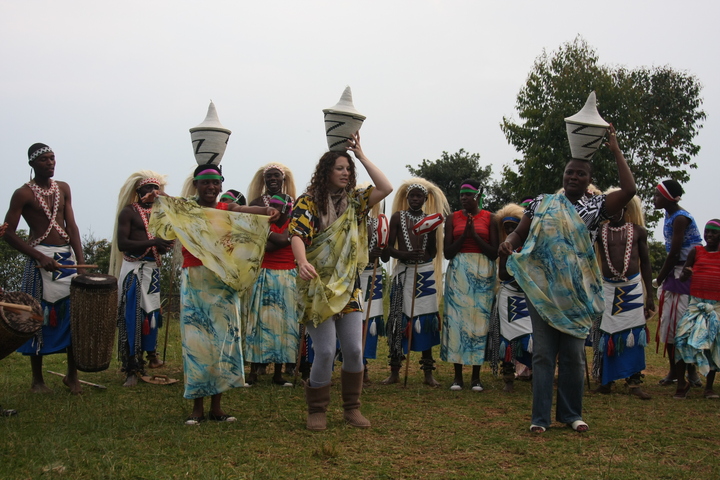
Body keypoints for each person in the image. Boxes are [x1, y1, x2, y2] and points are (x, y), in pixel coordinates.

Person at [499, 124, 636, 433]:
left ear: (589, 181)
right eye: (569, 172)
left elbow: (629, 191)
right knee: (543, 355)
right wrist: (509, 243)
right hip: (543, 292)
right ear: (563, 176)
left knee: (573, 355)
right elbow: (520, 232)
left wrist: (615, 150)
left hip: (577, 294)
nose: (574, 177)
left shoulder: (596, 206)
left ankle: (572, 414)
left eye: (581, 174)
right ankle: (540, 418)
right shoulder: (541, 202)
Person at [148, 163, 278, 424]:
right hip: (196, 280)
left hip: (223, 282)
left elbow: (245, 211)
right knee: (197, 344)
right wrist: (159, 195)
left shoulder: (226, 208)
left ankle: (217, 408)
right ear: (196, 184)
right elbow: (168, 206)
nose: (211, 187)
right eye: (205, 182)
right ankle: (197, 407)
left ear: (221, 185)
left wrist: (267, 211)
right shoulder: (187, 209)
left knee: (222, 343)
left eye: (215, 182)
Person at [290, 132, 392, 431]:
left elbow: (385, 187)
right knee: (324, 351)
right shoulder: (308, 202)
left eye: (349, 169)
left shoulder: (355, 202)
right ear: (326, 172)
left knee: (354, 350)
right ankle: (317, 410)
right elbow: (297, 234)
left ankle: (352, 408)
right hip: (318, 286)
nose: (346, 173)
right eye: (339, 168)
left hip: (348, 286)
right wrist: (302, 261)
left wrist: (361, 155)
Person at [2, 143, 84, 394]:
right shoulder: (23, 194)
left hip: (66, 260)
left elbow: (72, 226)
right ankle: (37, 380)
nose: (50, 163)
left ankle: (72, 376)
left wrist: (81, 264)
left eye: (52, 158)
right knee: (36, 317)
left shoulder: (63, 188)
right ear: (32, 164)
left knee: (73, 316)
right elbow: (7, 232)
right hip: (39, 261)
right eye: (44, 159)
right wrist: (38, 255)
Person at [109, 171, 174, 387]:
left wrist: (164, 245)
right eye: (148, 188)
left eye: (156, 188)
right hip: (134, 271)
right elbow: (123, 244)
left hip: (152, 272)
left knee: (151, 316)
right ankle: (131, 367)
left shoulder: (160, 213)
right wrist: (153, 242)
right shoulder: (129, 212)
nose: (153, 192)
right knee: (132, 318)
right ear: (138, 191)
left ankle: (149, 356)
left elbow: (162, 244)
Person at [382, 178, 448, 387]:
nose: (415, 199)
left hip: (424, 274)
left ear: (425, 199)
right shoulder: (397, 217)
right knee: (397, 321)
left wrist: (430, 235)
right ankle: (394, 371)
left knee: (426, 321)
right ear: (407, 197)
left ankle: (428, 373)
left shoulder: (430, 220)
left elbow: (433, 252)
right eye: (412, 196)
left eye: (419, 196)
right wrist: (405, 254)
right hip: (403, 272)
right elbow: (388, 248)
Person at [592, 191, 654, 400]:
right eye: (610, 208)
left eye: (618, 207)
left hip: (632, 288)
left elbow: (646, 263)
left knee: (634, 334)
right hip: (608, 288)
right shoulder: (599, 232)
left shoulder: (638, 231)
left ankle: (634, 382)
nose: (614, 212)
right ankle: (606, 381)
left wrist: (650, 296)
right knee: (607, 334)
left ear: (625, 209)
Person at [441, 179, 498, 392]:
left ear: (477, 196)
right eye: (461, 194)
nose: (463, 198)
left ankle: (476, 377)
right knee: (457, 321)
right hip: (458, 272)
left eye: (468, 194)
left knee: (479, 323)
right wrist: (464, 236)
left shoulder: (491, 218)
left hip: (483, 272)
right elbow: (447, 253)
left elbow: (494, 252)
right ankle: (457, 377)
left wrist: (474, 236)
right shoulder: (452, 218)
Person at [243, 193, 299, 387]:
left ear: (286, 209)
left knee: (284, 325)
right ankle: (253, 373)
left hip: (287, 277)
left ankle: (278, 373)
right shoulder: (265, 222)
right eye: (271, 205)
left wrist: (262, 232)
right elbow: (265, 247)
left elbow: (282, 241)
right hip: (264, 274)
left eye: (277, 206)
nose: (273, 210)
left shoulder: (293, 224)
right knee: (258, 322)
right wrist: (268, 236)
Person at [653, 179, 703, 387]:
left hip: (684, 273)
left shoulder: (681, 218)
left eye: (657, 195)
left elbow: (674, 253)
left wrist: (659, 279)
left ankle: (691, 371)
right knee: (669, 323)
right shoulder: (670, 215)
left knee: (683, 323)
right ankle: (674, 370)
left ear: (667, 197)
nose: (654, 199)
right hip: (675, 274)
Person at [487, 203, 533, 392]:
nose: (511, 230)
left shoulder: (531, 246)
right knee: (507, 339)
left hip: (529, 296)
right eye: (507, 227)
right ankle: (508, 377)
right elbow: (503, 275)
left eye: (514, 226)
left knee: (532, 339)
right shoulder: (505, 246)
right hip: (509, 296)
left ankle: (535, 374)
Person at [672, 219, 720, 399]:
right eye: (707, 231)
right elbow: (683, 278)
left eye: (714, 232)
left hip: (715, 307)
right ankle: (682, 384)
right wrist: (686, 273)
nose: (709, 235)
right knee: (681, 339)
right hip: (696, 306)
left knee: (712, 344)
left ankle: (709, 388)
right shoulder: (696, 251)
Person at [359, 199, 387, 385]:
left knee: (369, 322)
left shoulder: (379, 223)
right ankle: (354, 365)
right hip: (352, 275)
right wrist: (367, 256)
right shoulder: (350, 222)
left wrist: (381, 249)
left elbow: (386, 256)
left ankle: (364, 364)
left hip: (372, 275)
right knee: (351, 319)